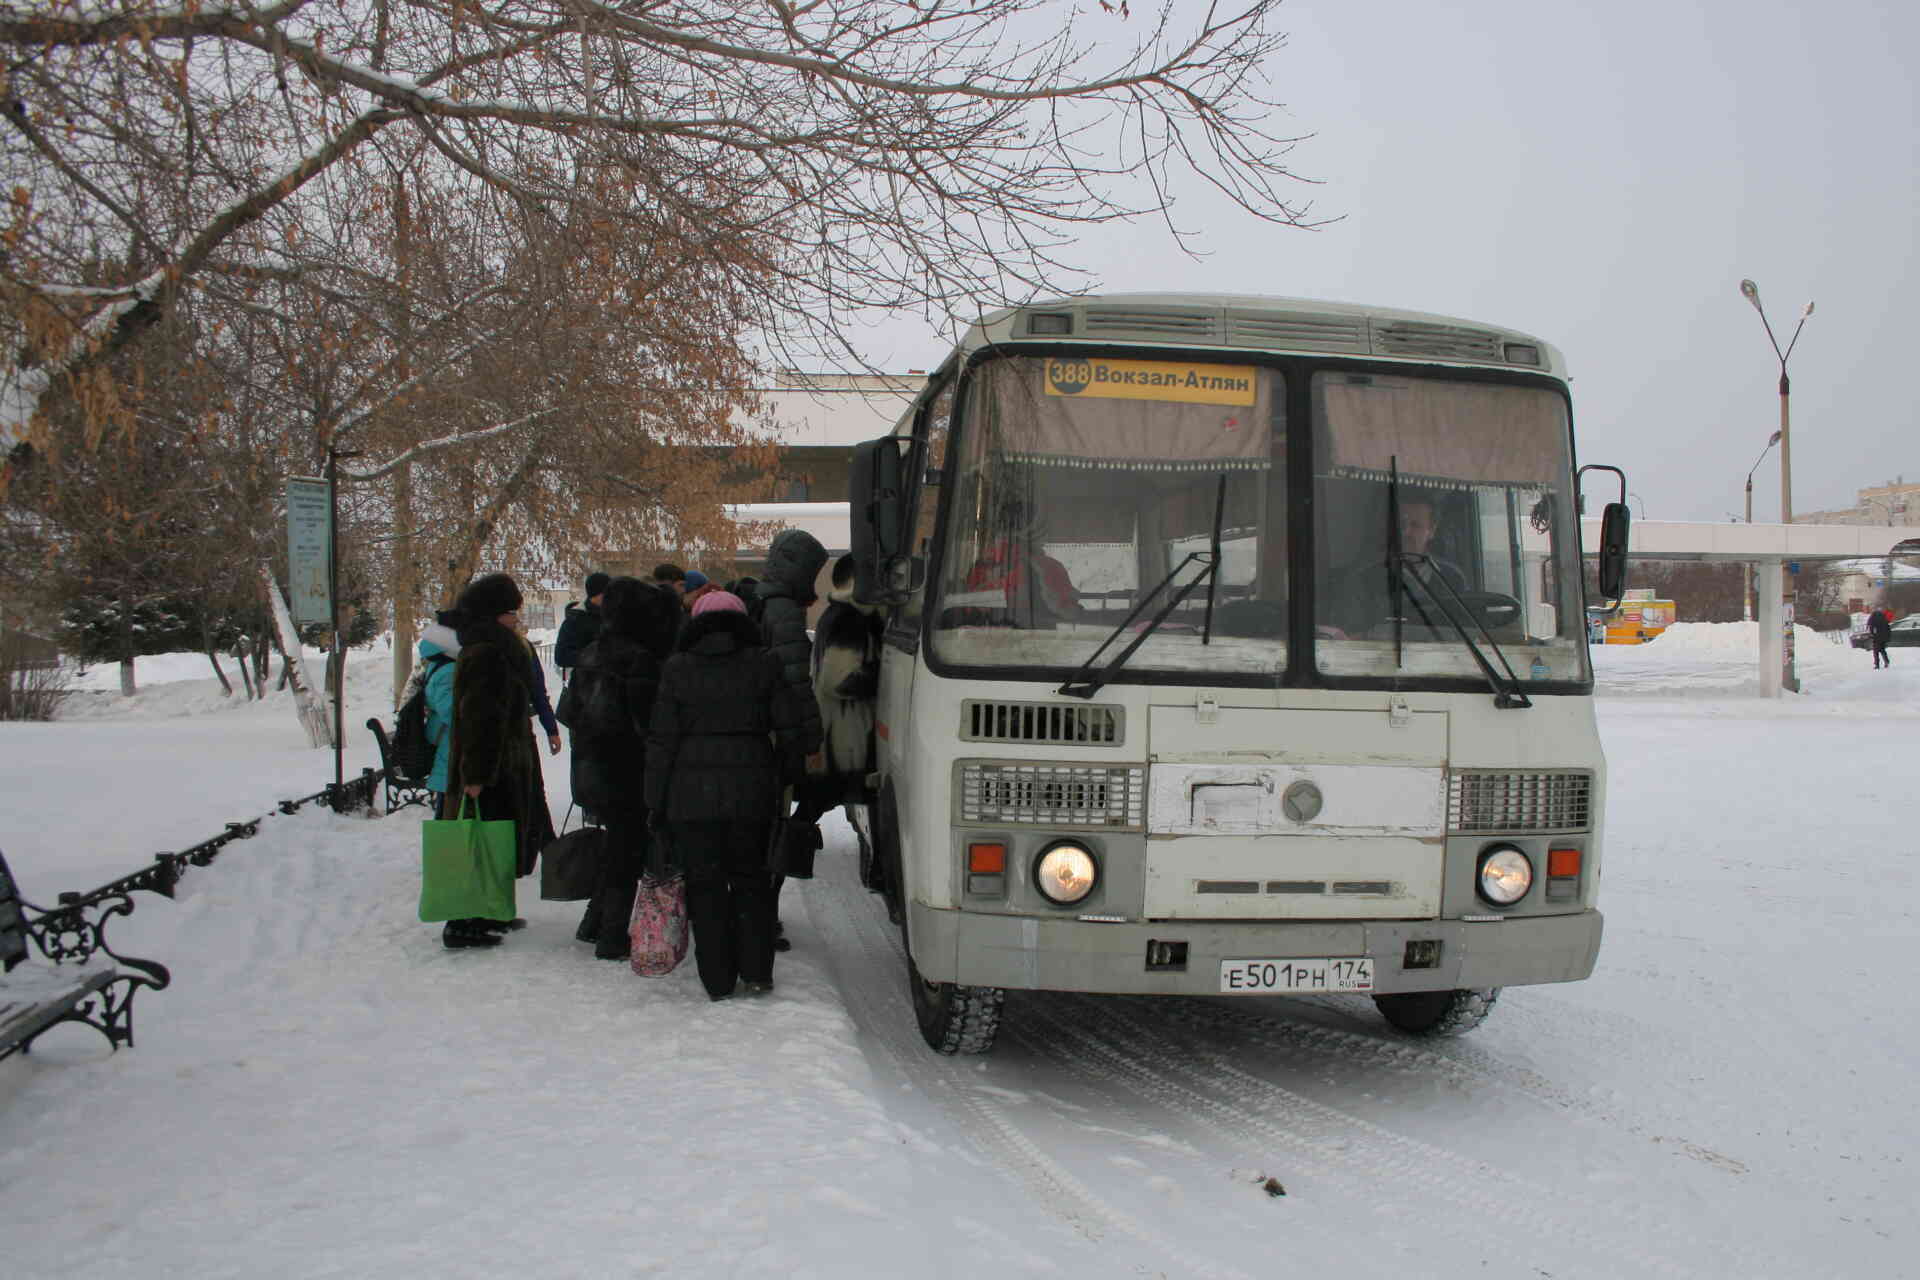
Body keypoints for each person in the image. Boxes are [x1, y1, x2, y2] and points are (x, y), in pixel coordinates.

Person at [645, 592, 808, 1000]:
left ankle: (716, 980)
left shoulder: (677, 668)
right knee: (752, 882)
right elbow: (789, 730)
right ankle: (756, 972)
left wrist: (655, 799)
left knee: (705, 887)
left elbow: (661, 740)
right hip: (752, 789)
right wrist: (785, 777)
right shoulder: (765, 663)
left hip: (689, 793)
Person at [569, 577, 682, 958]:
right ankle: (612, 935)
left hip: (592, 765)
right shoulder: (641, 660)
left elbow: (569, 712)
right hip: (628, 769)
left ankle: (595, 922)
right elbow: (650, 724)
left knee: (617, 844)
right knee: (626, 850)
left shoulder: (590, 652)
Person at [441, 572, 553, 949]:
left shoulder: (496, 648)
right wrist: (474, 774)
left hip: (503, 761)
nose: (516, 618)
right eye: (510, 611)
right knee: (478, 841)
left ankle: (490, 911)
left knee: (496, 839)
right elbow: (479, 718)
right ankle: (463, 921)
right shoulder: (488, 652)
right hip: (490, 766)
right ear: (493, 615)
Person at [754, 529, 828, 949]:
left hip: (750, 736)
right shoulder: (783, 611)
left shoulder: (757, 599)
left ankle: (755, 913)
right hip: (776, 740)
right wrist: (812, 739)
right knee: (774, 829)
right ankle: (764, 917)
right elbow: (797, 682)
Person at [1324, 495, 1467, 636]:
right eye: (1401, 524)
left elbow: (1465, 633)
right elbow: (1349, 640)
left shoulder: (1453, 578)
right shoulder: (1363, 578)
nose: (1406, 532)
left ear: (1432, 530)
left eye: (1415, 525)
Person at [963, 499, 1084, 626]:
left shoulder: (982, 564)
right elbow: (1069, 612)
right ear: (1037, 529)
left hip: (981, 640)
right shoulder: (1050, 567)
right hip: (1034, 640)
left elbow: (968, 609)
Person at [415, 611, 462, 805]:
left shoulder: (437, 665)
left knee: (449, 802)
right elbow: (452, 713)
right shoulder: (448, 671)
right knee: (450, 802)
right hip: (448, 744)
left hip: (445, 740)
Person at [554, 571, 610, 681]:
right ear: (597, 595)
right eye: (608, 593)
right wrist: (595, 657)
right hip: (585, 688)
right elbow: (561, 656)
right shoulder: (575, 620)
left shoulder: (612, 616)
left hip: (611, 687)